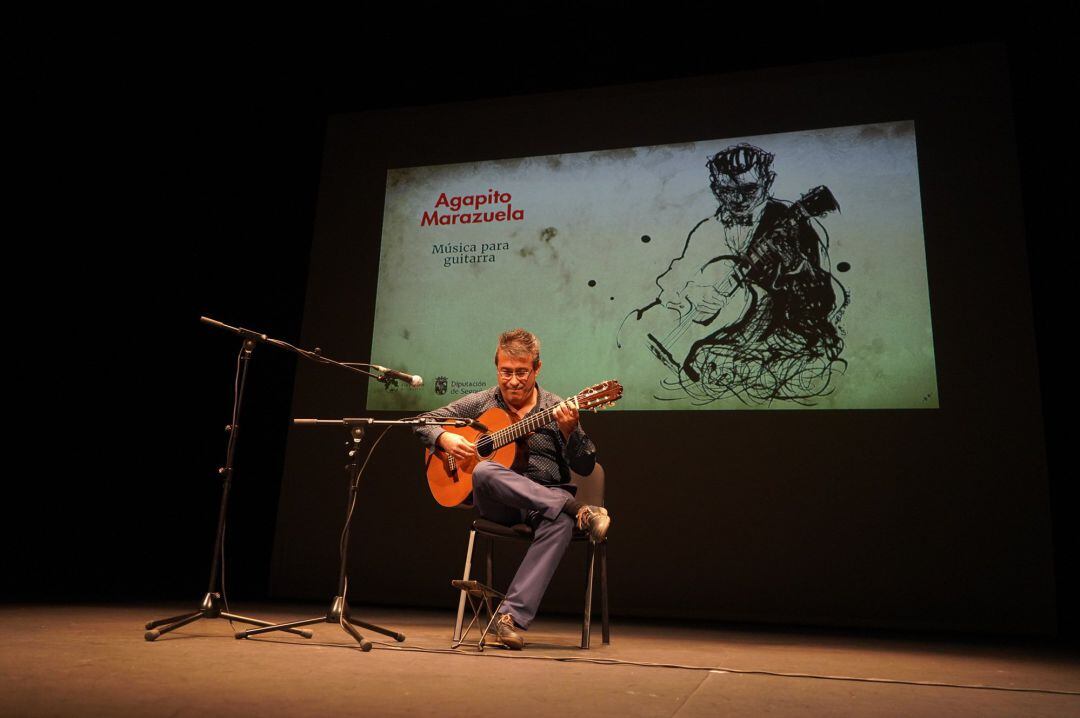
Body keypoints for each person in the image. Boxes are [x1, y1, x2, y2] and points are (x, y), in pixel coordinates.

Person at [414, 328, 609, 650]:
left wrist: (571, 431)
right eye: (506, 372)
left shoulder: (556, 406)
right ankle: (578, 511)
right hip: (500, 503)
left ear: (537, 369)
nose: (513, 381)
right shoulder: (482, 402)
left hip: (542, 502)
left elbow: (585, 466)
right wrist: (444, 438)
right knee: (487, 469)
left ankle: (510, 619)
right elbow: (422, 422)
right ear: (497, 368)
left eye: (521, 372)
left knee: (558, 520)